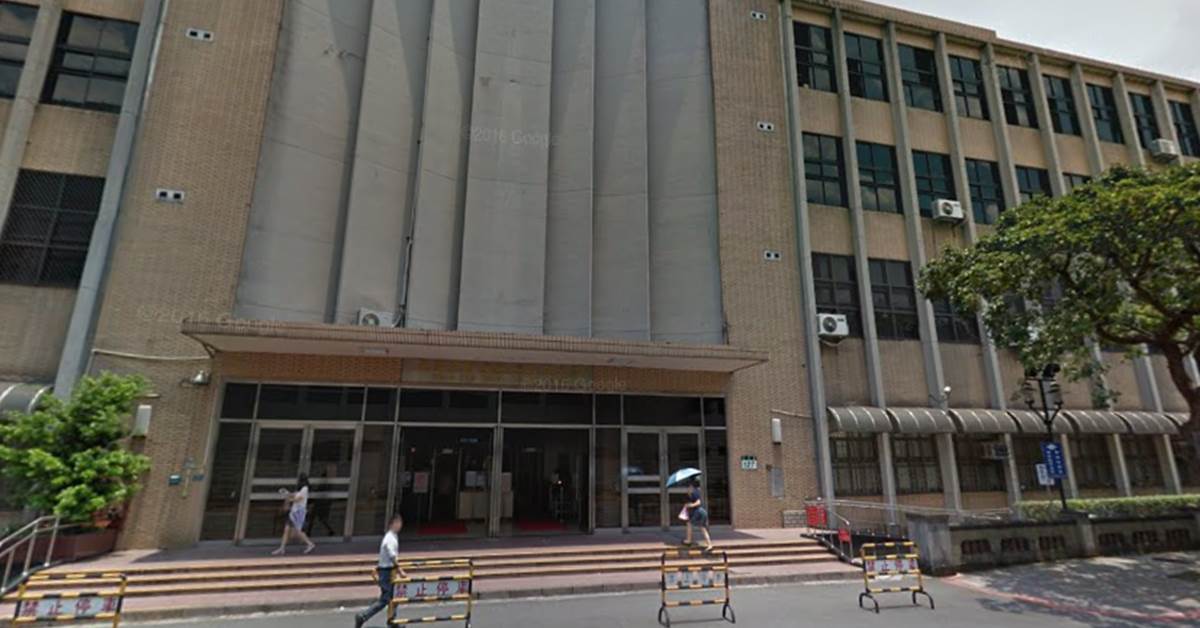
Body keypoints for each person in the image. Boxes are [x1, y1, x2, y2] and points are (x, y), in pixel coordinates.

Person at [355, 515, 407, 628]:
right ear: (393, 524)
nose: (400, 525)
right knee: (386, 599)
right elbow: (392, 556)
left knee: (393, 597)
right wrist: (400, 570)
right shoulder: (389, 538)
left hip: (389, 571)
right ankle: (363, 616)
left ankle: (391, 621)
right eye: (398, 523)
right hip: (386, 572)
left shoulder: (393, 536)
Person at [272, 473, 316, 555]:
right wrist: (287, 493)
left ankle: (310, 544)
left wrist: (288, 498)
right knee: (286, 530)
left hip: (299, 512)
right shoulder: (300, 489)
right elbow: (294, 495)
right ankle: (282, 548)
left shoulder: (305, 489)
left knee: (298, 531)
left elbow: (298, 499)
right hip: (294, 511)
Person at [682, 480, 713, 551]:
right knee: (702, 528)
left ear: (691, 486)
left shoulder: (695, 492)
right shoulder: (696, 492)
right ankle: (709, 544)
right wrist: (689, 495)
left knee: (689, 523)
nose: (688, 488)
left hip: (698, 511)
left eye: (688, 487)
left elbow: (698, 502)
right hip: (702, 512)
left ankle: (688, 541)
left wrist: (690, 505)